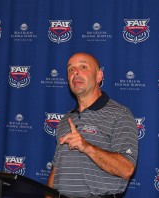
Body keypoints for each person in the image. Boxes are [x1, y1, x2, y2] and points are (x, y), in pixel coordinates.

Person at [47, 52, 138, 198]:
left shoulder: (121, 114)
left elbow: (126, 169)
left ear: (99, 76)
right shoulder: (66, 119)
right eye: (70, 69)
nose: (75, 72)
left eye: (83, 67)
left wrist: (86, 147)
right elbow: (56, 169)